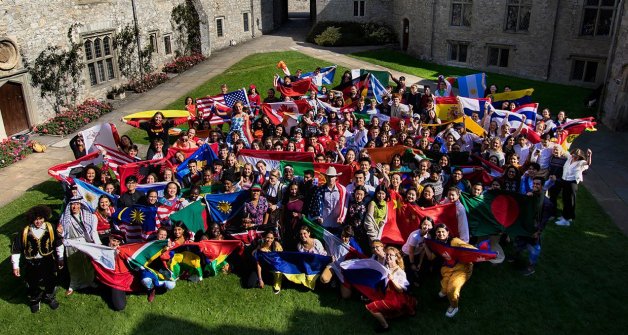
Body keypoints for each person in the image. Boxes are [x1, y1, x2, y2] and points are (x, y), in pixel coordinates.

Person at [11, 205, 64, 313]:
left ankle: (49, 297)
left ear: (44, 217)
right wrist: (15, 266)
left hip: (48, 261)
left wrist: (60, 258)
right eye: (36, 219)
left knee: (50, 281)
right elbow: (16, 249)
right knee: (32, 282)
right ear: (31, 219)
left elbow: (58, 243)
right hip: (31, 263)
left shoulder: (51, 228)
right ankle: (35, 299)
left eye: (40, 219)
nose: (38, 221)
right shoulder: (25, 231)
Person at [424, 224, 476, 318]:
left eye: (443, 231)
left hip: (462, 268)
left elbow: (470, 248)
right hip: (448, 269)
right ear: (436, 233)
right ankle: (445, 292)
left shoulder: (455, 241)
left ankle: (454, 306)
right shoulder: (437, 245)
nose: (441, 234)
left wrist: (482, 253)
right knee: (444, 288)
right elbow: (431, 257)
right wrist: (425, 245)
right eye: (438, 232)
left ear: (448, 233)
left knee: (452, 289)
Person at [366, 246, 416, 332]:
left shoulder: (400, 272)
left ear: (396, 257)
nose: (388, 256)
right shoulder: (387, 267)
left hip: (395, 299)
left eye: (391, 255)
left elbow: (401, 290)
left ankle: (385, 326)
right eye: (387, 254)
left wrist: (392, 280)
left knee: (371, 308)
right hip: (388, 295)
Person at [59, 197, 101, 295]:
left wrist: (98, 244)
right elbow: (62, 234)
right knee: (73, 265)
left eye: (77, 204)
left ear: (81, 205)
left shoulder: (87, 216)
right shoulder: (64, 218)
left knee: (88, 264)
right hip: (71, 244)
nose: (75, 207)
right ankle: (73, 285)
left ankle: (90, 281)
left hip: (84, 242)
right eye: (73, 204)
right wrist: (60, 232)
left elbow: (93, 232)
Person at [557, 148, 592, 226]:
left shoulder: (580, 162)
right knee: (565, 199)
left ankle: (566, 220)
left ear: (580, 157)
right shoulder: (569, 158)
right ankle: (566, 216)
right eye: (574, 155)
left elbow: (588, 163)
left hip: (572, 183)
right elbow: (563, 150)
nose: (574, 157)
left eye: (577, 156)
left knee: (570, 200)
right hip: (565, 181)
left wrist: (589, 155)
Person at [308, 167, 347, 235]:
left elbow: (345, 205)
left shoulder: (342, 190)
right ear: (325, 177)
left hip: (337, 223)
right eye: (328, 177)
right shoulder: (320, 190)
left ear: (336, 178)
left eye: (332, 177)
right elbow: (315, 205)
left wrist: (342, 218)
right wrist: (318, 216)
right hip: (324, 223)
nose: (330, 179)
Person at [402, 217, 434, 287]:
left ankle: (418, 278)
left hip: (417, 254)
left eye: (429, 225)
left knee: (423, 267)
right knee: (409, 270)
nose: (426, 227)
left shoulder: (428, 236)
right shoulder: (415, 236)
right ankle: (411, 283)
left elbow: (423, 251)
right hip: (407, 254)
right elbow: (411, 251)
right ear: (421, 224)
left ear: (432, 227)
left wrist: (420, 263)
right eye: (425, 224)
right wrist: (412, 263)